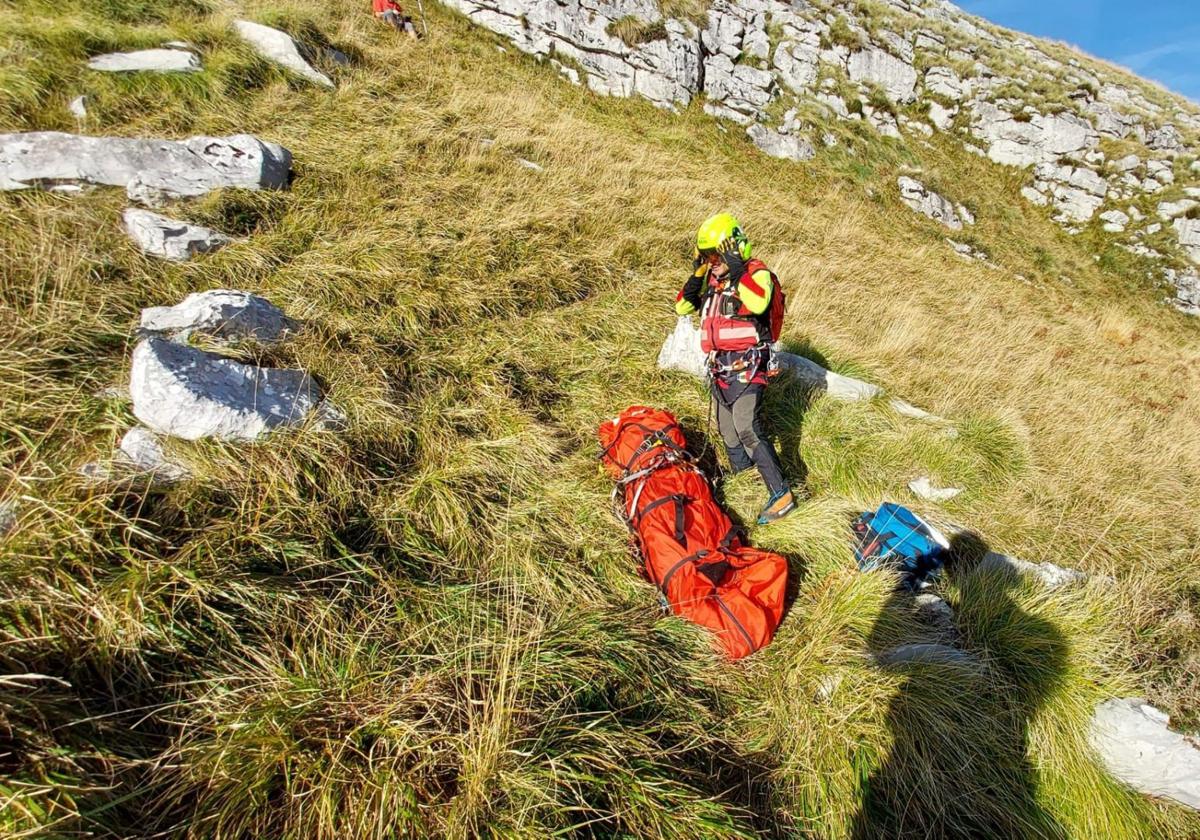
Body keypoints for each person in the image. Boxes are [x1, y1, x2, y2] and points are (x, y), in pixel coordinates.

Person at [675, 213, 796, 525]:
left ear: (733, 248)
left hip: (748, 367)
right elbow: (682, 306)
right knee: (728, 433)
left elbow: (757, 304)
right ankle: (748, 485)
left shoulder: (757, 274)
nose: (712, 261)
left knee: (747, 427)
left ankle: (781, 495)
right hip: (720, 371)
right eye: (707, 256)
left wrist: (739, 267)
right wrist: (698, 272)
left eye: (715, 255)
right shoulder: (715, 281)